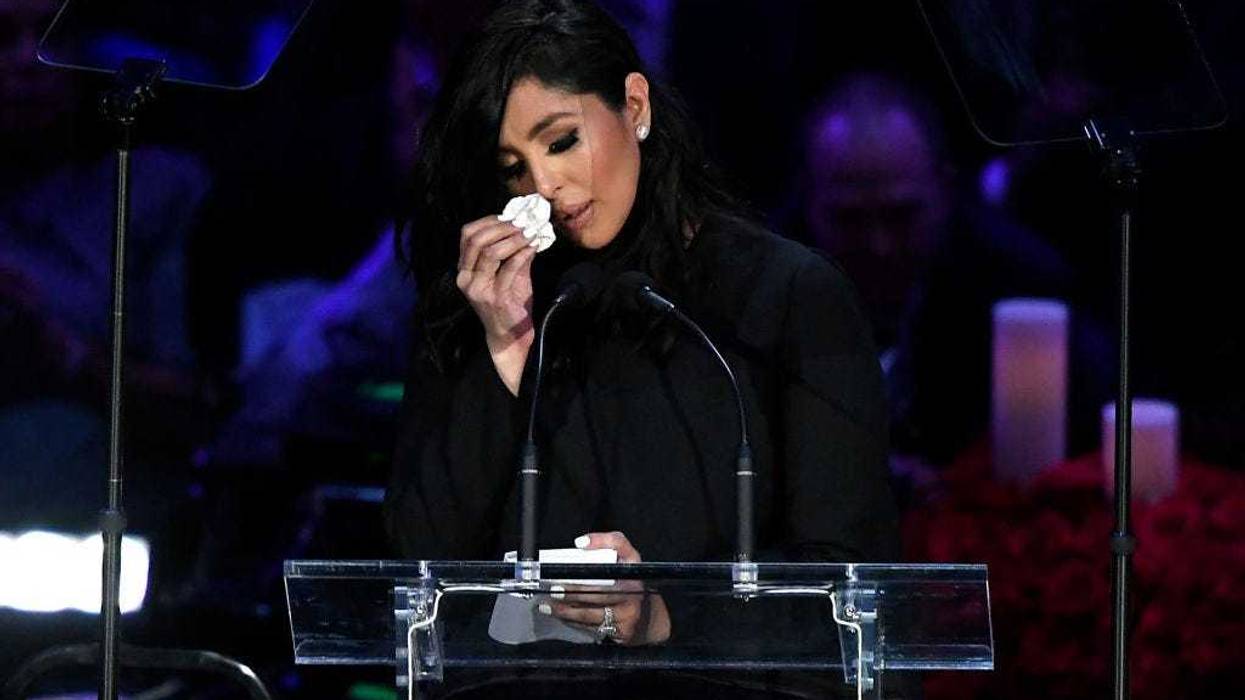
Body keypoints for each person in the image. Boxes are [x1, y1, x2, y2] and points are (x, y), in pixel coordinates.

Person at [384, 1, 899, 695]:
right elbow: (419, 579)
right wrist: (501, 352)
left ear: (634, 106)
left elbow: (850, 584)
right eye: (513, 167)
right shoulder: (488, 303)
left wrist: (665, 616)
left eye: (561, 141)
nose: (544, 187)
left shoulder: (786, 296)